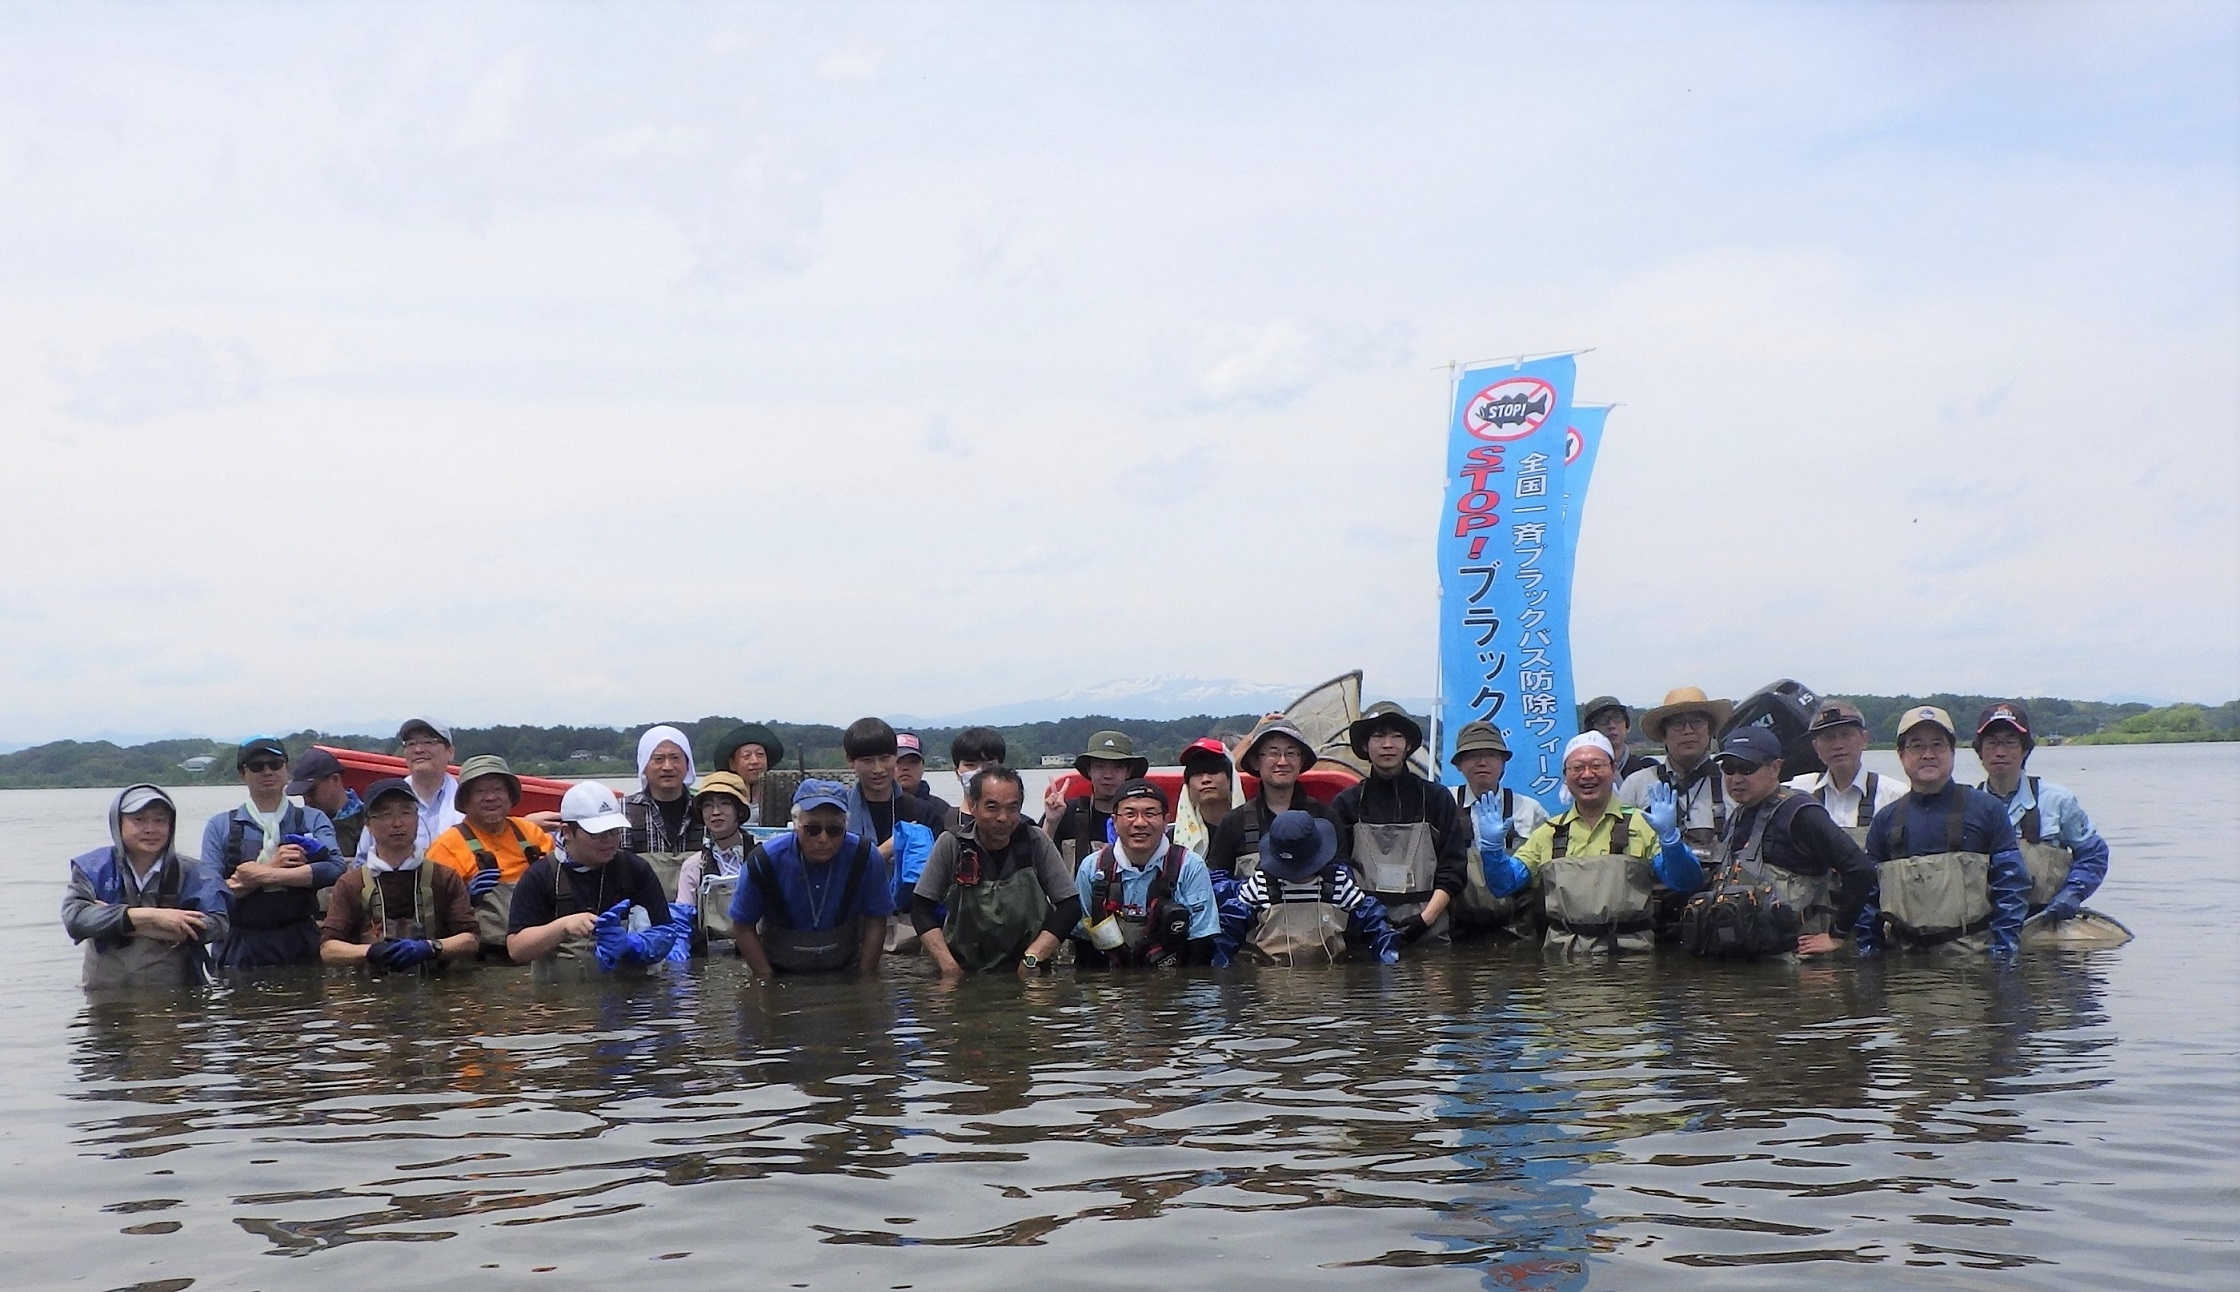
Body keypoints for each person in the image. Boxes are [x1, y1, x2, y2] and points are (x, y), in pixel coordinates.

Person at [1679, 728, 1873, 960]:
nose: (1736, 778)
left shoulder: (1802, 814)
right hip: (1750, 958)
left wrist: (1837, 935)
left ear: (1775, 768)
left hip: (1799, 962)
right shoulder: (1736, 816)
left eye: (1747, 768)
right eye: (1728, 769)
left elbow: (1861, 869)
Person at [1503, 733, 1704, 956]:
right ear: (1565, 776)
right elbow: (1504, 884)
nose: (1587, 775)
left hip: (1630, 958)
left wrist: (1671, 840)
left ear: (1613, 769)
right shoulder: (1548, 832)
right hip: (1564, 960)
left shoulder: (1643, 824)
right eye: (1577, 767)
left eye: (1597, 765)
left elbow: (1687, 882)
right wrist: (1491, 850)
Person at [1857, 706, 2028, 960]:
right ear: (1901, 755)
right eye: (1917, 746)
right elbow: (1869, 902)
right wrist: (1868, 957)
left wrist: (2003, 956)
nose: (1928, 755)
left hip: (1973, 957)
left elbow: (2011, 888)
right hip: (1904, 959)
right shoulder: (1885, 820)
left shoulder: (1988, 809)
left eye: (1938, 745)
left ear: (1952, 752)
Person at [507, 782, 685, 981]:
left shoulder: (635, 869)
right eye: (597, 834)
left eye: (614, 831)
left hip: (625, 999)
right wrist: (562, 927)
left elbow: (666, 931)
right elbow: (517, 949)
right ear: (567, 831)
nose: (609, 840)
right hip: (560, 1002)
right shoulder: (540, 875)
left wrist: (631, 944)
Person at [914, 766, 1082, 976]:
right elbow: (921, 909)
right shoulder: (951, 844)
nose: (1003, 818)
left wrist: (1033, 957)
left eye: (1013, 808)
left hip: (1026, 967)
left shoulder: (1035, 841)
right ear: (973, 806)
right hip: (963, 969)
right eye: (992, 807)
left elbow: (1070, 906)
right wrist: (948, 966)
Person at [63, 784, 229, 989]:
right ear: (118, 823)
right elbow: (75, 919)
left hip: (176, 995)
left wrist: (112, 920)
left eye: (159, 820)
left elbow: (219, 924)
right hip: (104, 995)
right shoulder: (93, 868)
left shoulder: (195, 872)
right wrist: (149, 917)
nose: (150, 829)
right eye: (138, 820)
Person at [1327, 702, 1466, 947]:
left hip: (1429, 932)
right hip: (1363, 930)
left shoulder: (1436, 798)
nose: (1387, 744)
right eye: (1378, 736)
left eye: (1396, 736)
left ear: (1409, 744)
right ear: (1364, 745)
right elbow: (1338, 870)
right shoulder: (1345, 803)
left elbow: (1453, 869)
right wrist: (1366, 918)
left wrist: (1425, 919)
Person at [201, 736, 343, 970]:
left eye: (275, 764)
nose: (267, 771)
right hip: (239, 943)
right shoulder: (220, 826)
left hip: (300, 938)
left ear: (286, 769)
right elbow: (209, 892)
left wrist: (263, 875)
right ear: (242, 774)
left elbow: (334, 868)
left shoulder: (311, 818)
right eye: (257, 766)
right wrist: (272, 865)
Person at [729, 779, 892, 977]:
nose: (823, 839)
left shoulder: (866, 856)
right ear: (796, 825)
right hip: (779, 968)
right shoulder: (763, 861)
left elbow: (877, 920)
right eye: (812, 829)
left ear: (846, 827)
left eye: (834, 830)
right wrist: (765, 978)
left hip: (847, 966)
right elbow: (742, 925)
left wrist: (865, 976)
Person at [319, 778, 478, 974]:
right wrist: (371, 951)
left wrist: (431, 948)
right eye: (385, 815)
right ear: (368, 823)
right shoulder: (351, 883)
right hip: (373, 994)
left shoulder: (444, 877)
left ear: (417, 819)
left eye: (406, 812)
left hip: (435, 990)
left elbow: (470, 939)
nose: (397, 823)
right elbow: (328, 949)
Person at [1972, 702, 2111, 920]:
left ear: (2025, 749)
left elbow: (2094, 854)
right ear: (1979, 751)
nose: (2000, 752)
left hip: (2045, 921)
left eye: (2010, 743)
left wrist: (2073, 893)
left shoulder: (2057, 800)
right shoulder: (1965, 806)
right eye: (1991, 743)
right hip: (1984, 926)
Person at [1220, 809, 1402, 966]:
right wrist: (1222, 967)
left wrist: (1387, 960)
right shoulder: (1261, 885)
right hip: (1270, 983)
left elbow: (1375, 923)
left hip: (1329, 984)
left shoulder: (1337, 883)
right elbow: (1229, 930)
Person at [1073, 778, 1220, 968]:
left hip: (1173, 979)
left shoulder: (1190, 866)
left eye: (1150, 814)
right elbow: (1083, 942)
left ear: (1166, 821)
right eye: (1130, 814)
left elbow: (1202, 942)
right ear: (1114, 822)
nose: (1140, 823)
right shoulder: (1092, 868)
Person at [427, 754, 555, 963]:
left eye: (498, 789)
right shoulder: (446, 846)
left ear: (510, 796)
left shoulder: (531, 833)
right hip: (484, 962)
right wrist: (465, 898)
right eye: (480, 791)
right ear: (465, 800)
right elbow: (431, 918)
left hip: (539, 952)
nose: (490, 797)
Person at [1205, 718, 1346, 885]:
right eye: (1273, 753)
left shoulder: (1326, 817)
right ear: (1255, 761)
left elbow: (1343, 871)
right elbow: (1216, 880)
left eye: (1291, 753)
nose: (1283, 762)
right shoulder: (1234, 821)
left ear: (1301, 761)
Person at [1446, 720, 1550, 939]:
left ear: (1503, 761)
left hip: (1519, 932)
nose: (1482, 762)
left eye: (1491, 755)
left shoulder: (1530, 810)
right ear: (1459, 764)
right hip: (1457, 933)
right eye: (1473, 755)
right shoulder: (1443, 804)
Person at [1618, 688, 1736, 862]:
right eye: (1677, 724)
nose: (1688, 731)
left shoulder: (1732, 779)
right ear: (1663, 735)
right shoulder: (1636, 784)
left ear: (1711, 731)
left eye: (1696, 722)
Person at [1785, 702, 1905, 844]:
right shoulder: (1795, 792)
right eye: (1828, 737)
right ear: (1816, 747)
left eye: (1846, 735)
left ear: (1865, 739)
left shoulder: (1896, 796)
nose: (1838, 745)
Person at [674, 771, 756, 953]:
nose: (716, 812)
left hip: (759, 951)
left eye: (725, 804)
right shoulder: (694, 866)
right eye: (708, 805)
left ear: (740, 811)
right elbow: (682, 922)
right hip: (713, 957)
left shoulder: (763, 858)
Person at [359, 718, 464, 857]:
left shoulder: (467, 801)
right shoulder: (383, 798)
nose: (418, 749)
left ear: (450, 752)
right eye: (411, 743)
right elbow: (362, 858)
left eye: (428, 742)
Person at [1043, 729, 1147, 863]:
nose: (1108, 775)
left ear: (1128, 772)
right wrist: (1051, 822)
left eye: (1117, 768)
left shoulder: (1140, 819)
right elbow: (1036, 862)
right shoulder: (1065, 812)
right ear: (1089, 770)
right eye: (1100, 767)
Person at [620, 725, 703, 881]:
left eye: (675, 758)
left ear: (688, 764)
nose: (667, 767)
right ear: (643, 765)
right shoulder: (623, 812)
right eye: (658, 759)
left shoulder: (705, 809)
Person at [287, 747, 365, 860]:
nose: (307, 799)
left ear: (335, 780)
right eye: (303, 793)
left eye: (312, 791)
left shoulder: (370, 820)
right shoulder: (298, 823)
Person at [1173, 737, 1241, 859]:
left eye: (1213, 771)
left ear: (1231, 780)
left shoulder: (1254, 828)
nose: (1205, 780)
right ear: (1188, 786)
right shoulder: (1173, 840)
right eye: (1197, 774)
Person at [710, 723, 785, 825]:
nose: (754, 761)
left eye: (760, 755)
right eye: (746, 756)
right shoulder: (724, 798)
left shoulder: (781, 796)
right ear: (732, 764)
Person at [944, 726, 1011, 831]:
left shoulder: (1017, 824)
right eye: (970, 765)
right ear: (957, 772)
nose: (979, 772)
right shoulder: (941, 822)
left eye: (989, 766)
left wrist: (1047, 823)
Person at [1581, 695, 1659, 780]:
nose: (1611, 725)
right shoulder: (1583, 775)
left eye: (1617, 717)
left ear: (1627, 726)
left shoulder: (1648, 769)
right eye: (1602, 719)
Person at [895, 732, 955, 828]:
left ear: (923, 766)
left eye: (913, 762)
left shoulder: (941, 810)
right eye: (898, 761)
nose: (905, 767)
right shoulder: (873, 808)